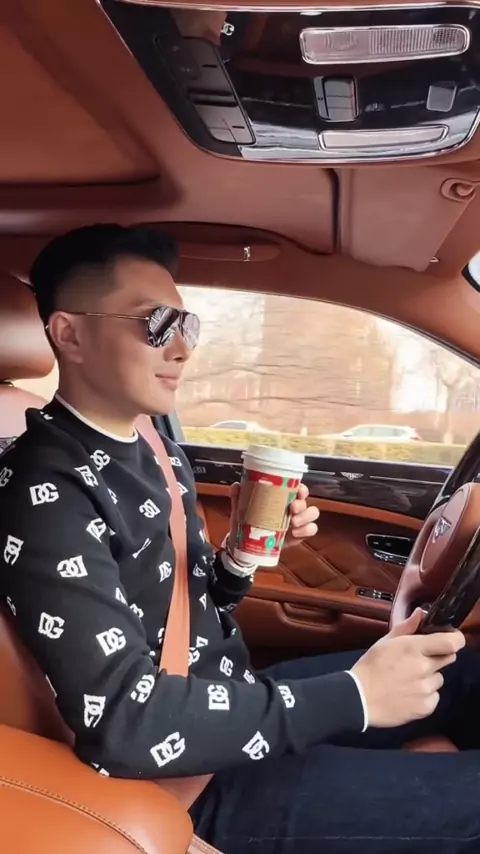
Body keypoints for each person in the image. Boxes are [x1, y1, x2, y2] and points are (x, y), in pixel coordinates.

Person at [0, 223, 477, 854]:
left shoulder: (151, 443)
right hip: (187, 779)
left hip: (229, 700)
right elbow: (123, 721)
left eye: (187, 325)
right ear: (69, 334)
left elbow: (189, 609)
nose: (181, 349)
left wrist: (239, 560)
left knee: (462, 672)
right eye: (156, 324)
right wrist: (358, 696)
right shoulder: (45, 487)